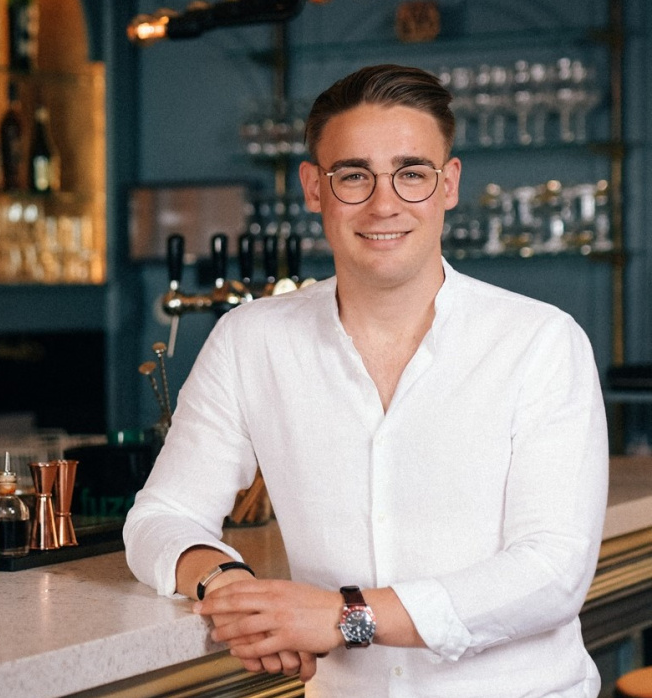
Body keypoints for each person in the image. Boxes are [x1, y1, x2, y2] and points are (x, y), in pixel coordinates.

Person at [123, 64, 609, 697]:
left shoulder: (540, 342)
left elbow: (552, 573)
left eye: (411, 173)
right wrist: (230, 588)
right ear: (314, 188)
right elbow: (162, 516)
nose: (384, 204)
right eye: (354, 175)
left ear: (449, 184)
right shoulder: (251, 340)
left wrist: (344, 616)